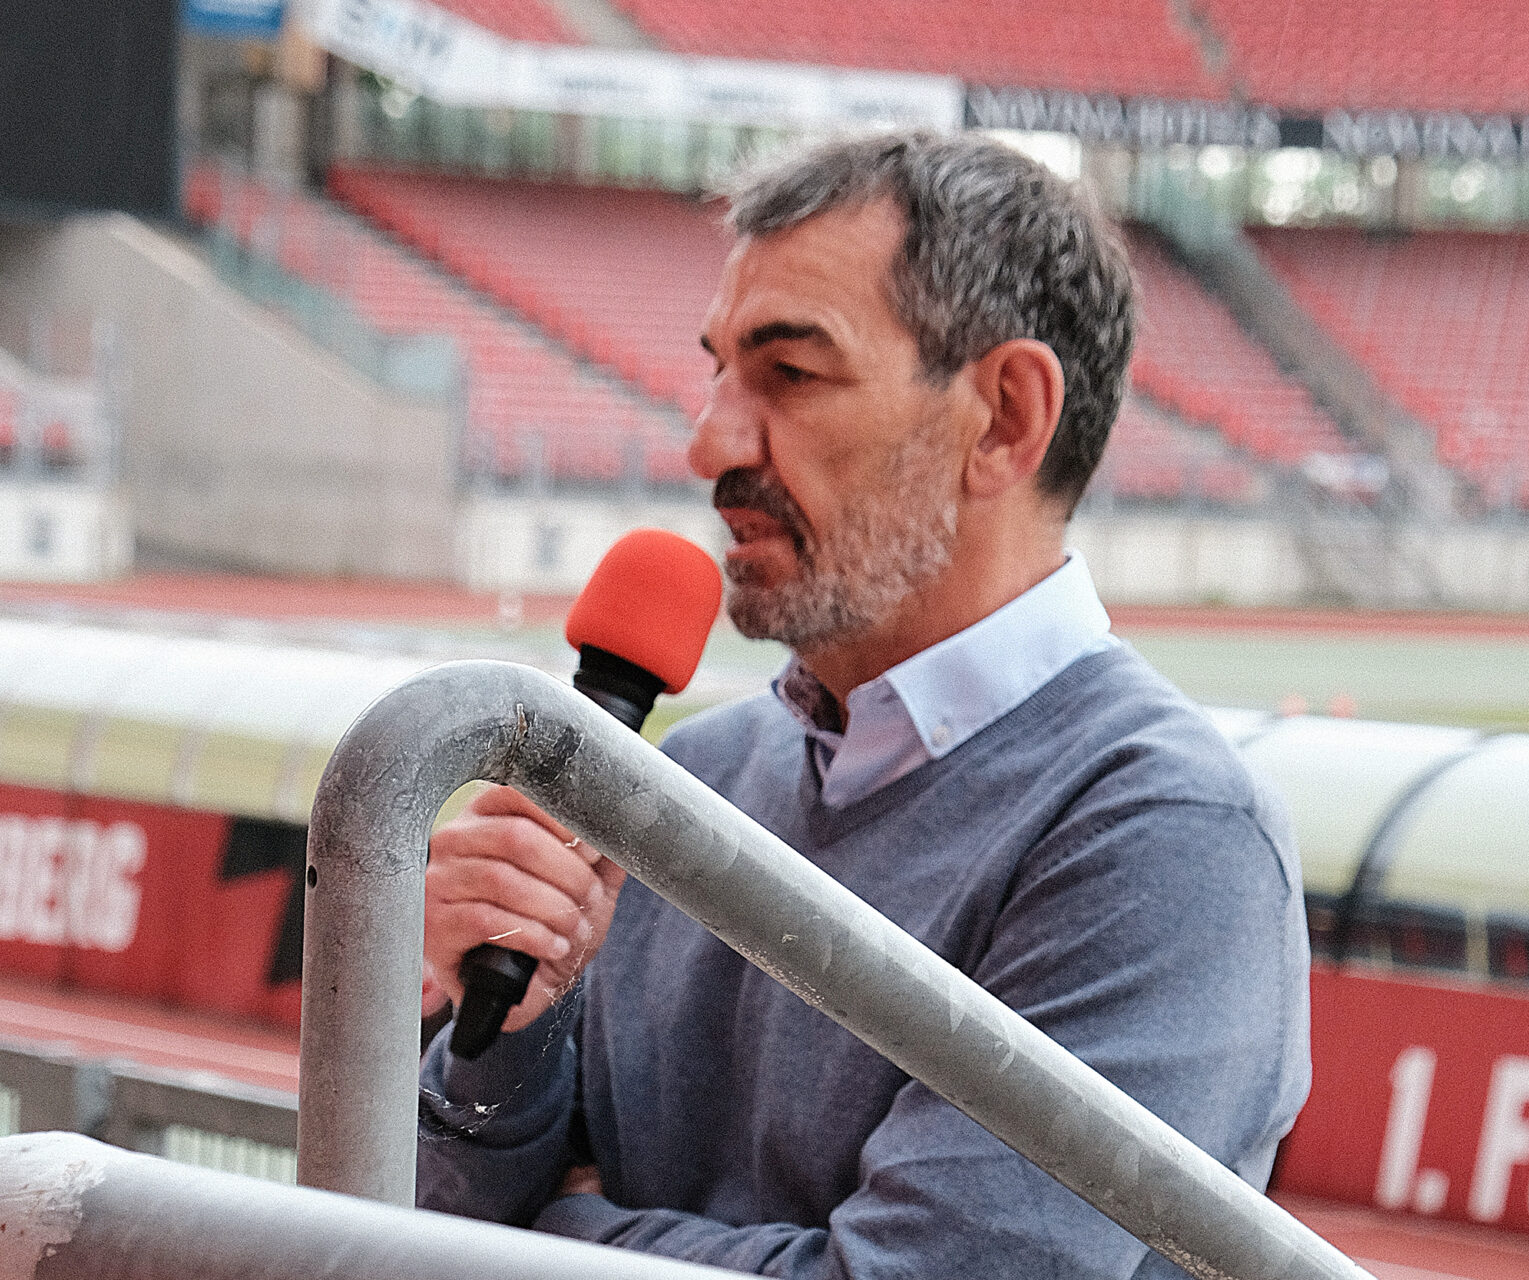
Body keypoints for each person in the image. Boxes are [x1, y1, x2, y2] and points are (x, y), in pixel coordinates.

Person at [415, 130, 1310, 1279]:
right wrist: (509, 1041)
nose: (708, 441)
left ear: (1006, 417)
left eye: (791, 373)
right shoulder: (689, 774)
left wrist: (556, 1230)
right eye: (718, 371)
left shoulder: (1166, 836)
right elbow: (408, 1223)